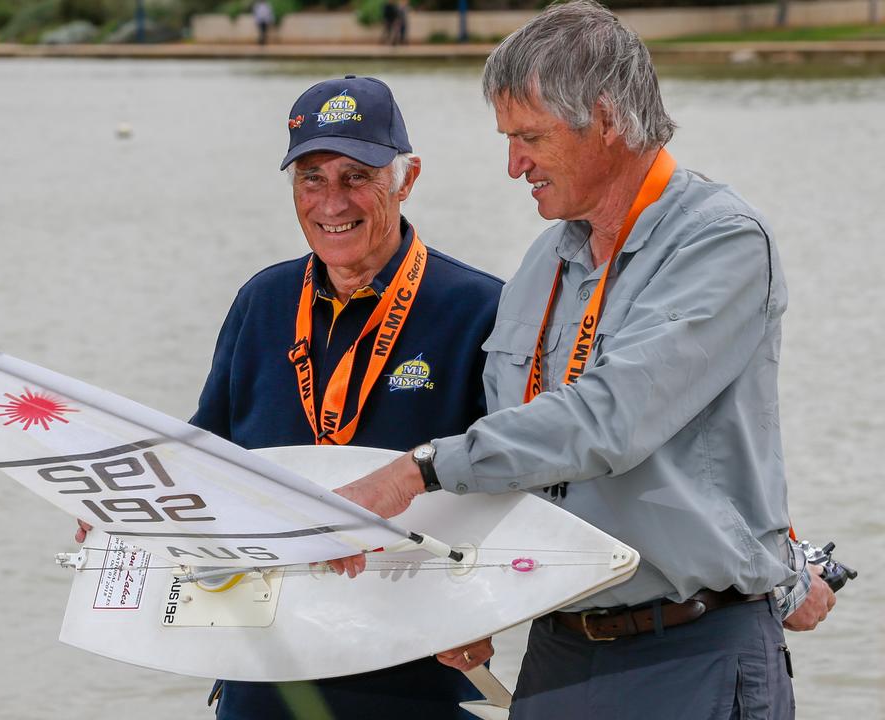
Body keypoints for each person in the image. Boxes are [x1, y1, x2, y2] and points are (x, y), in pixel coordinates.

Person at [326, 3, 836, 718]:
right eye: (508, 140)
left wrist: (415, 470)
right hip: (557, 651)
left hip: (692, 649)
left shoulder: (721, 242)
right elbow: (520, 453)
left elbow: (609, 419)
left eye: (529, 138)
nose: (513, 165)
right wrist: (468, 600)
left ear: (606, 120)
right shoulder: (542, 262)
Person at [193, 74, 502, 718]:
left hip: (414, 665)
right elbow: (205, 456)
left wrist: (488, 608)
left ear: (405, 178)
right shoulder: (263, 300)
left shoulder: (480, 308)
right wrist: (121, 505)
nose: (332, 202)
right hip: (268, 665)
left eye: (356, 175)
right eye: (312, 178)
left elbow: (515, 479)